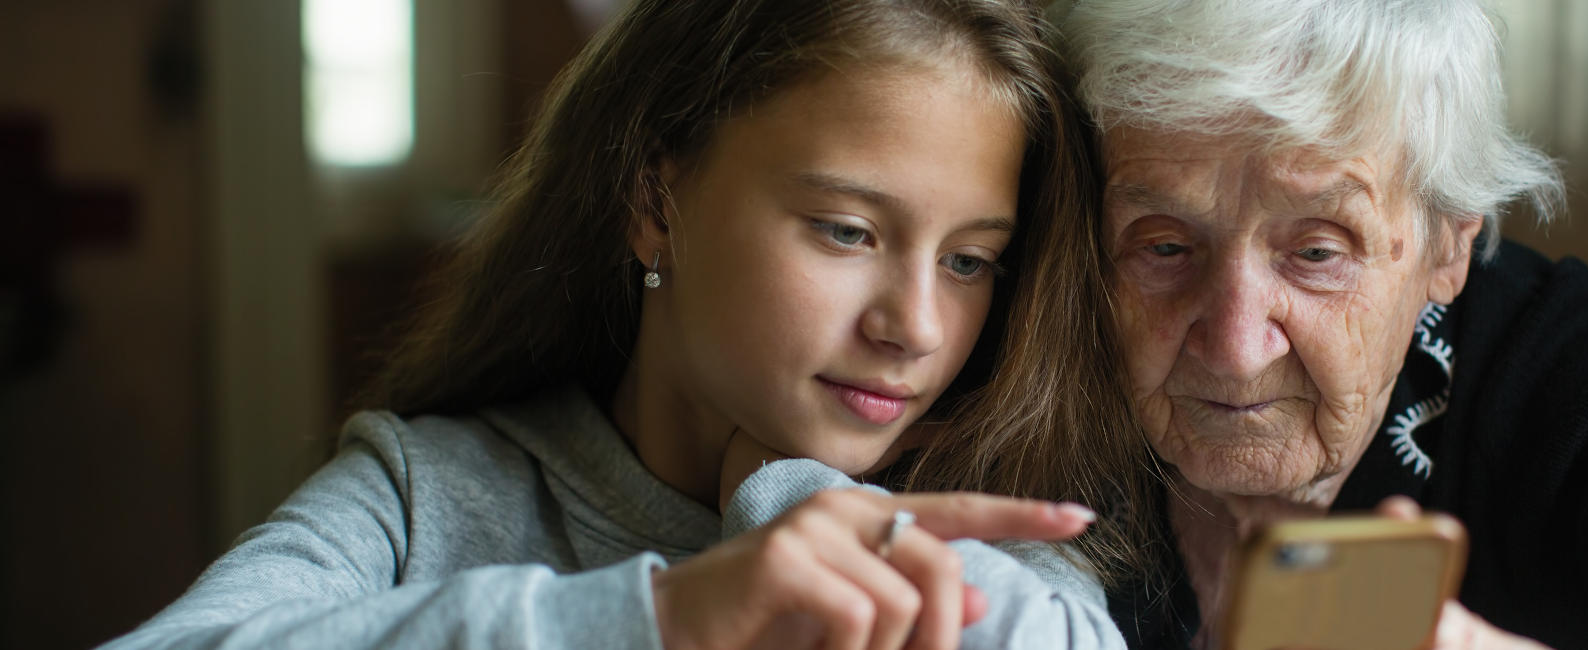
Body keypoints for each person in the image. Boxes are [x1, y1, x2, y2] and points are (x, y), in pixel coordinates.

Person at [104, 1, 1158, 648]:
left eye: (970, 260)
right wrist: (663, 620)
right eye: (845, 230)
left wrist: (787, 487)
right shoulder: (429, 494)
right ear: (656, 202)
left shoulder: (981, 517)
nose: (917, 325)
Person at [1054, 0, 1588, 648]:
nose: (1237, 348)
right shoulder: (1022, 342)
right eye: (1164, 246)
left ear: (1447, 250)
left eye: (1318, 252)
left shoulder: (1546, 370)